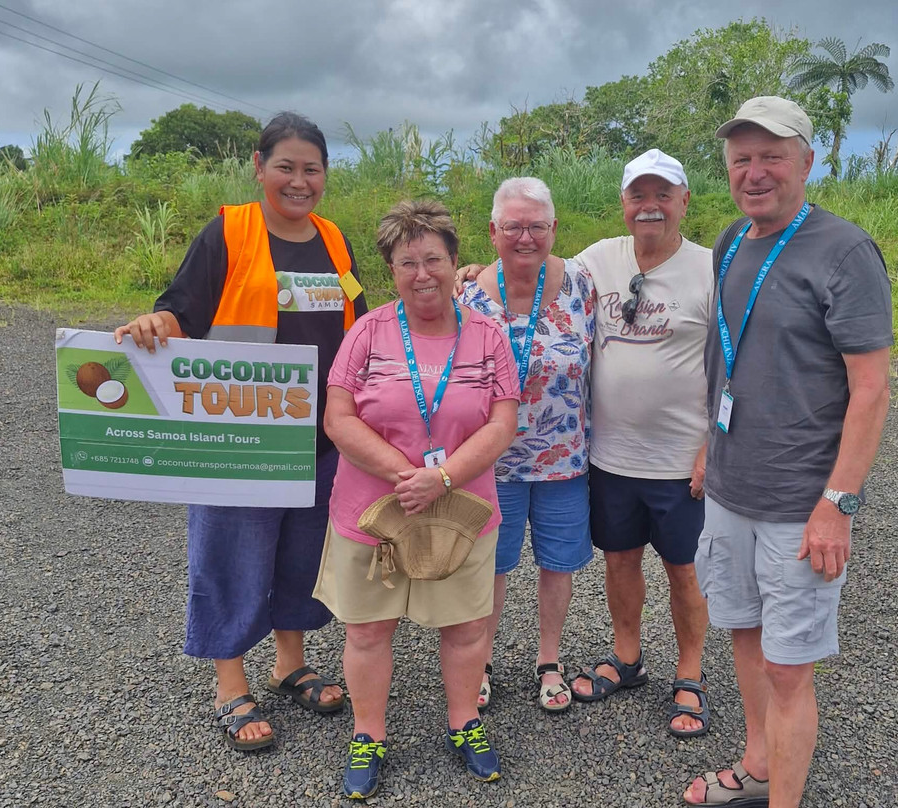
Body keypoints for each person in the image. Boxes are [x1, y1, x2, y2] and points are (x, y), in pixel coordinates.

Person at [114, 113, 366, 751]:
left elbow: (357, 324)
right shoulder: (229, 231)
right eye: (286, 166)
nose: (299, 180)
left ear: (325, 176)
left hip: (319, 439)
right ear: (259, 167)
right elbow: (183, 308)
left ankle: (289, 664)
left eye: (313, 168)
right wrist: (158, 324)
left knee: (302, 557)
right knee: (229, 557)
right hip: (239, 440)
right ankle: (231, 685)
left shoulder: (334, 240)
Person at [683, 97, 892, 808]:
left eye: (772, 155)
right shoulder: (730, 242)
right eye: (741, 158)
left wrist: (838, 505)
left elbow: (871, 390)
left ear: (807, 160)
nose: (755, 171)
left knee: (788, 667)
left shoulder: (845, 252)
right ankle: (758, 766)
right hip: (730, 490)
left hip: (799, 505)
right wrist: (709, 446)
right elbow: (729, 359)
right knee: (742, 632)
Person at [317, 200, 519, 799]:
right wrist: (405, 472)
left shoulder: (487, 337)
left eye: (434, 258)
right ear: (392, 269)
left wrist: (443, 478)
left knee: (463, 629)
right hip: (373, 513)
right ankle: (368, 733)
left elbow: (502, 423)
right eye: (408, 262)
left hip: (460, 514)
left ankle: (464, 722)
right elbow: (338, 416)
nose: (422, 273)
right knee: (369, 632)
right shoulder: (368, 331)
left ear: (456, 262)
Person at [567, 149, 714, 738]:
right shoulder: (600, 259)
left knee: (685, 571)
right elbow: (543, 277)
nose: (649, 206)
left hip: (682, 461)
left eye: (662, 195)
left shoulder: (713, 267)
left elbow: (739, 362)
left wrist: (715, 447)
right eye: (638, 195)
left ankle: (691, 673)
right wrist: (476, 272)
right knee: (620, 560)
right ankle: (627, 659)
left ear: (683, 201)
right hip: (611, 457)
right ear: (624, 203)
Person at [457, 177, 595, 713]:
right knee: (491, 566)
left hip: (564, 458)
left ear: (553, 229)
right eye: (513, 226)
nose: (525, 237)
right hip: (490, 463)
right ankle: (482, 660)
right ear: (493, 232)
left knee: (557, 564)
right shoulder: (466, 293)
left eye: (537, 226)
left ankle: (549, 660)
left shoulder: (581, 283)